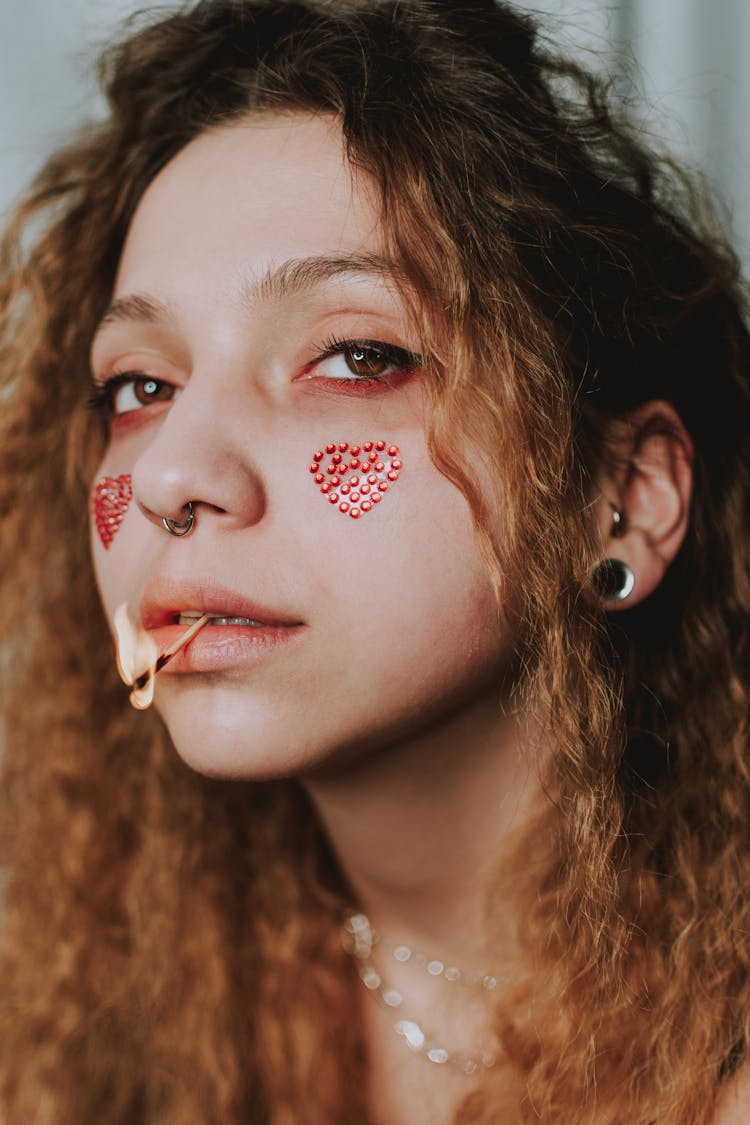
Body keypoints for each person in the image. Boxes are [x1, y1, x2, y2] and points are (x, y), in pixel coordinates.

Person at [1, 0, 749, 1121]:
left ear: (623, 499)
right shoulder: (73, 995)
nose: (171, 476)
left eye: (357, 355)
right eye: (140, 387)